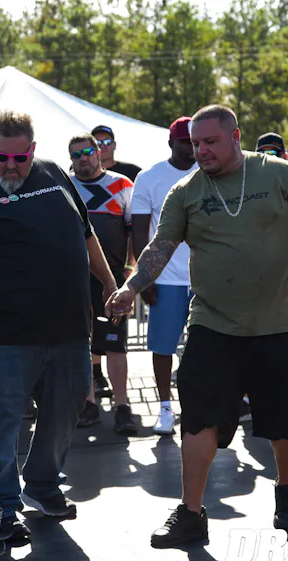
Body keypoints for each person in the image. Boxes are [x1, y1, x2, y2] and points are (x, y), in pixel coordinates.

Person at [106, 104, 288, 548]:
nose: (201, 150)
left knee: (285, 422)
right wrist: (131, 287)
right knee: (198, 417)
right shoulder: (185, 192)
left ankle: (286, 489)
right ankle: (191, 513)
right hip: (212, 324)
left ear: (235, 136)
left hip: (278, 324)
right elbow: (160, 246)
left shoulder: (279, 174)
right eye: (195, 143)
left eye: (210, 142)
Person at [0, 111, 118, 543]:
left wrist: (109, 282)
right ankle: (3, 505)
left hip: (69, 325)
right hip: (6, 332)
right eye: (0, 157)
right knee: (1, 422)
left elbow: (87, 235)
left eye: (19, 158)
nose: (9, 166)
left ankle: (42, 484)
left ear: (33, 151)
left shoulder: (55, 174)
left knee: (67, 409)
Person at [131, 116, 197, 435]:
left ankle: (197, 406)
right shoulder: (149, 177)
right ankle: (165, 408)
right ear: (171, 142)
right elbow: (138, 232)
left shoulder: (210, 173)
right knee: (163, 348)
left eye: (196, 141)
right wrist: (144, 277)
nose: (192, 148)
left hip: (206, 279)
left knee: (205, 349)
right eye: (186, 141)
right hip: (166, 279)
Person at [68, 133, 138, 434]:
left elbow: (134, 231)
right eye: (76, 155)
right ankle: (89, 404)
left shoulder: (122, 184)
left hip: (113, 278)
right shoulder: (65, 185)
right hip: (74, 278)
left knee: (116, 344)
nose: (83, 158)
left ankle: (122, 406)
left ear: (99, 152)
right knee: (80, 341)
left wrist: (130, 271)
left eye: (87, 152)